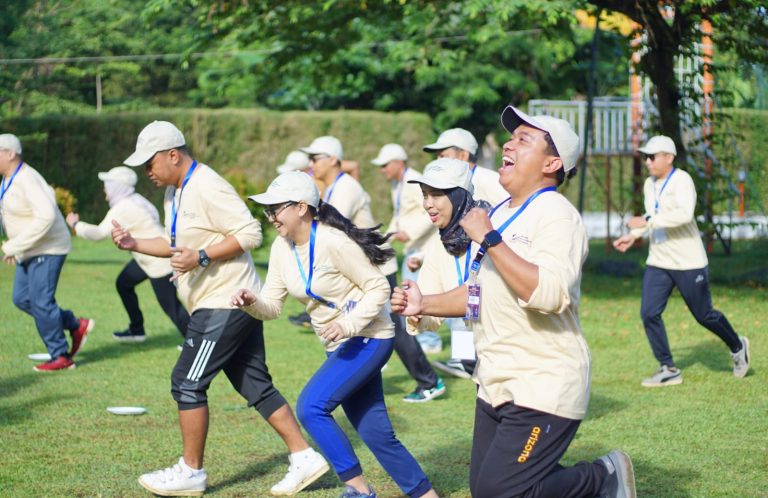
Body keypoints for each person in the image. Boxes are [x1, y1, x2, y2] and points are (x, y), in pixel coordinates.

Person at [391, 106, 636, 498]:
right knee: (487, 490)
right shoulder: (501, 213)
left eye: (524, 139)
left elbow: (549, 295)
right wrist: (424, 303)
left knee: (498, 491)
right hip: (494, 381)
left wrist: (489, 239)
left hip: (543, 381)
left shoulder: (557, 215)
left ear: (552, 162)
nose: (509, 143)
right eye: (511, 136)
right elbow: (479, 297)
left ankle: (602, 478)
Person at [112, 121, 328, 497]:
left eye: (150, 162)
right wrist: (134, 243)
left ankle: (191, 471)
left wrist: (200, 256)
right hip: (226, 302)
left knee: (187, 383)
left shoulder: (207, 185)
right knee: (255, 385)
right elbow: (175, 243)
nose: (146, 170)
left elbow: (250, 233)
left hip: (223, 302)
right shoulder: (174, 194)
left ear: (173, 155)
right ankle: (304, 456)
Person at [232, 171, 439, 498]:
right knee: (376, 433)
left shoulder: (332, 241)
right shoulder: (281, 249)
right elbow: (272, 306)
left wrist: (348, 325)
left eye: (275, 209)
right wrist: (251, 301)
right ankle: (426, 495)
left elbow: (377, 288)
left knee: (311, 407)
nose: (270, 216)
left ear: (301, 207)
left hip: (371, 337)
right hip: (341, 342)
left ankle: (358, 490)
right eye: (267, 210)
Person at [612, 135, 750, 387]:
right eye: (645, 157)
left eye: (652, 157)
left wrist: (647, 222)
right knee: (649, 313)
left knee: (704, 315)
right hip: (659, 260)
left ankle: (738, 346)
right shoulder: (648, 184)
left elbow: (684, 216)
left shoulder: (682, 180)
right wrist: (633, 235)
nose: (647, 162)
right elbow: (650, 215)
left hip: (689, 261)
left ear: (669, 158)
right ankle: (668, 368)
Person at [0, 133, 94, 372]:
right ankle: (75, 324)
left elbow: (46, 216)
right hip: (29, 249)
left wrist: (13, 245)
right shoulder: (8, 179)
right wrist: (17, 245)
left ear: (11, 154)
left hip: (49, 248)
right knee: (22, 298)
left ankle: (61, 355)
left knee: (42, 302)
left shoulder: (27, 179)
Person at [66, 166, 189, 342]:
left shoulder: (123, 207)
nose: (104, 189)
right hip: (145, 259)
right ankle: (136, 329)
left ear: (117, 186)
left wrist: (75, 225)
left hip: (158, 261)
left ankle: (194, 341)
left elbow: (99, 233)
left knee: (171, 306)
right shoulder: (135, 199)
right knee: (124, 283)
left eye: (107, 184)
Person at [421, 128, 507, 379]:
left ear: (462, 154)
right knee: (460, 316)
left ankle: (469, 361)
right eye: (436, 156)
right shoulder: (442, 185)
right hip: (458, 262)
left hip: (488, 263)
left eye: (443, 154)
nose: (438, 161)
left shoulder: (489, 180)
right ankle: (464, 361)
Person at [371, 143, 445, 402]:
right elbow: (399, 215)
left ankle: (432, 350)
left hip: (424, 250)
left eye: (384, 165)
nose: (381, 170)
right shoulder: (398, 184)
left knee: (410, 308)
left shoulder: (414, 181)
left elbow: (430, 212)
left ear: (397, 162)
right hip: (412, 250)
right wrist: (385, 238)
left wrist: (408, 234)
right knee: (403, 311)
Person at [403, 158, 484, 381]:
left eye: (436, 195)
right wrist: (415, 313)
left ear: (459, 196)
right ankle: (465, 362)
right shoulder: (440, 245)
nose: (427, 203)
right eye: (424, 194)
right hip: (482, 357)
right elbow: (430, 312)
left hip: (513, 357)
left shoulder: (491, 232)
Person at [422, 128, 508, 206]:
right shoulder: (447, 184)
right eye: (437, 156)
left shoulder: (491, 180)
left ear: (463, 156)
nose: (438, 161)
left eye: (443, 156)